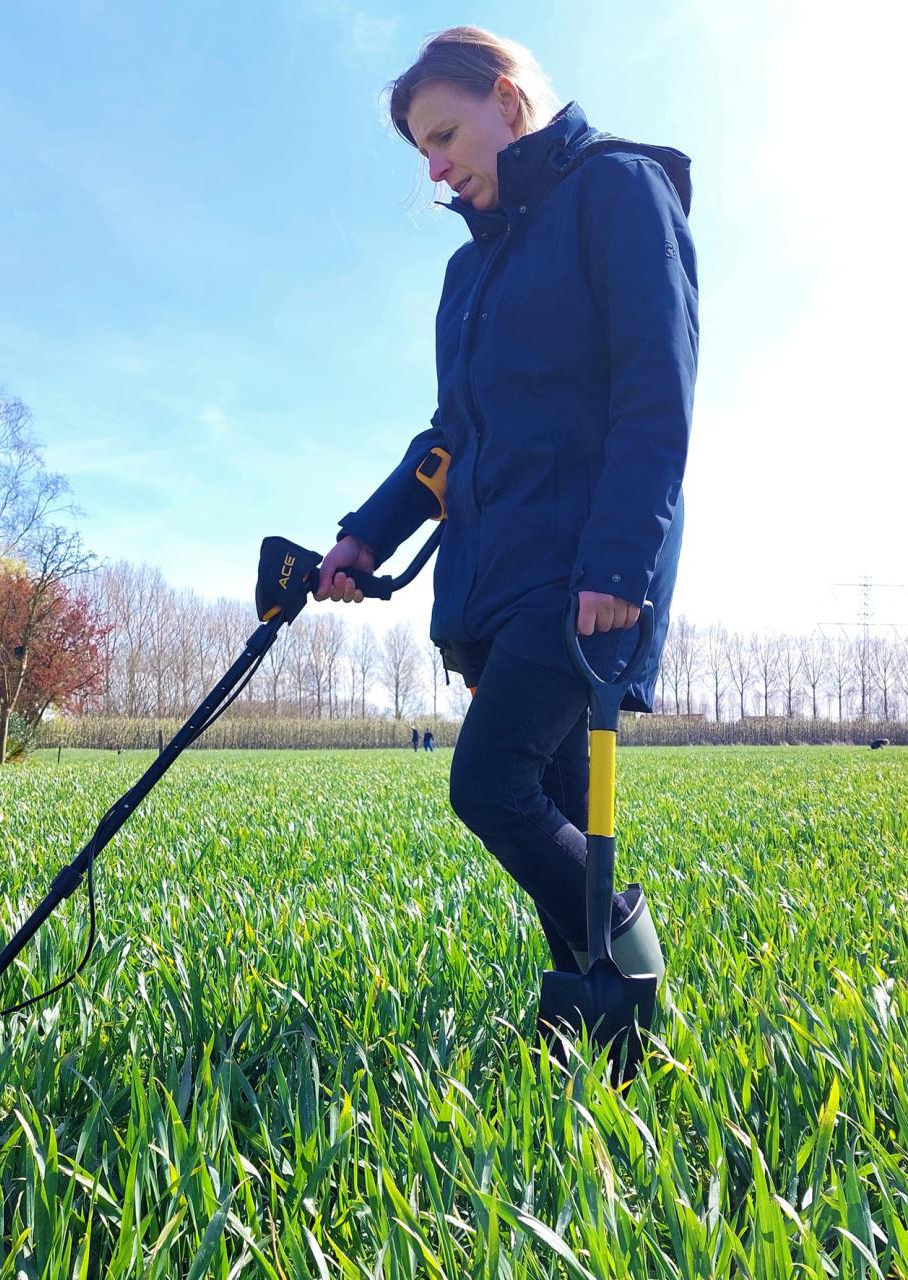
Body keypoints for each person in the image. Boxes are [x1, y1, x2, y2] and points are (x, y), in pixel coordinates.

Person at [314, 27, 697, 983]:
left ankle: (633, 982)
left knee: (489, 784)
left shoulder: (615, 189)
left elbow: (656, 388)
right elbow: (453, 433)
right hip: (495, 572)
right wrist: (366, 534)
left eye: (444, 136)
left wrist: (618, 564)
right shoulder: (468, 272)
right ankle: (590, 1026)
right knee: (555, 808)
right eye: (420, 151)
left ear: (508, 100)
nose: (435, 169)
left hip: (579, 574)